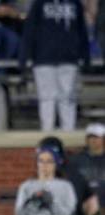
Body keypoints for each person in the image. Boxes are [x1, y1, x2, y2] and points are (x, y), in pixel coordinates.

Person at [19, 0, 89, 131]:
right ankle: (47, 130)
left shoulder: (74, 3)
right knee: (46, 97)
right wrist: (25, 56)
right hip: (43, 57)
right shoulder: (39, 3)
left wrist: (85, 55)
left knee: (68, 97)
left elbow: (81, 29)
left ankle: (68, 130)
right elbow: (30, 29)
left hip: (69, 57)